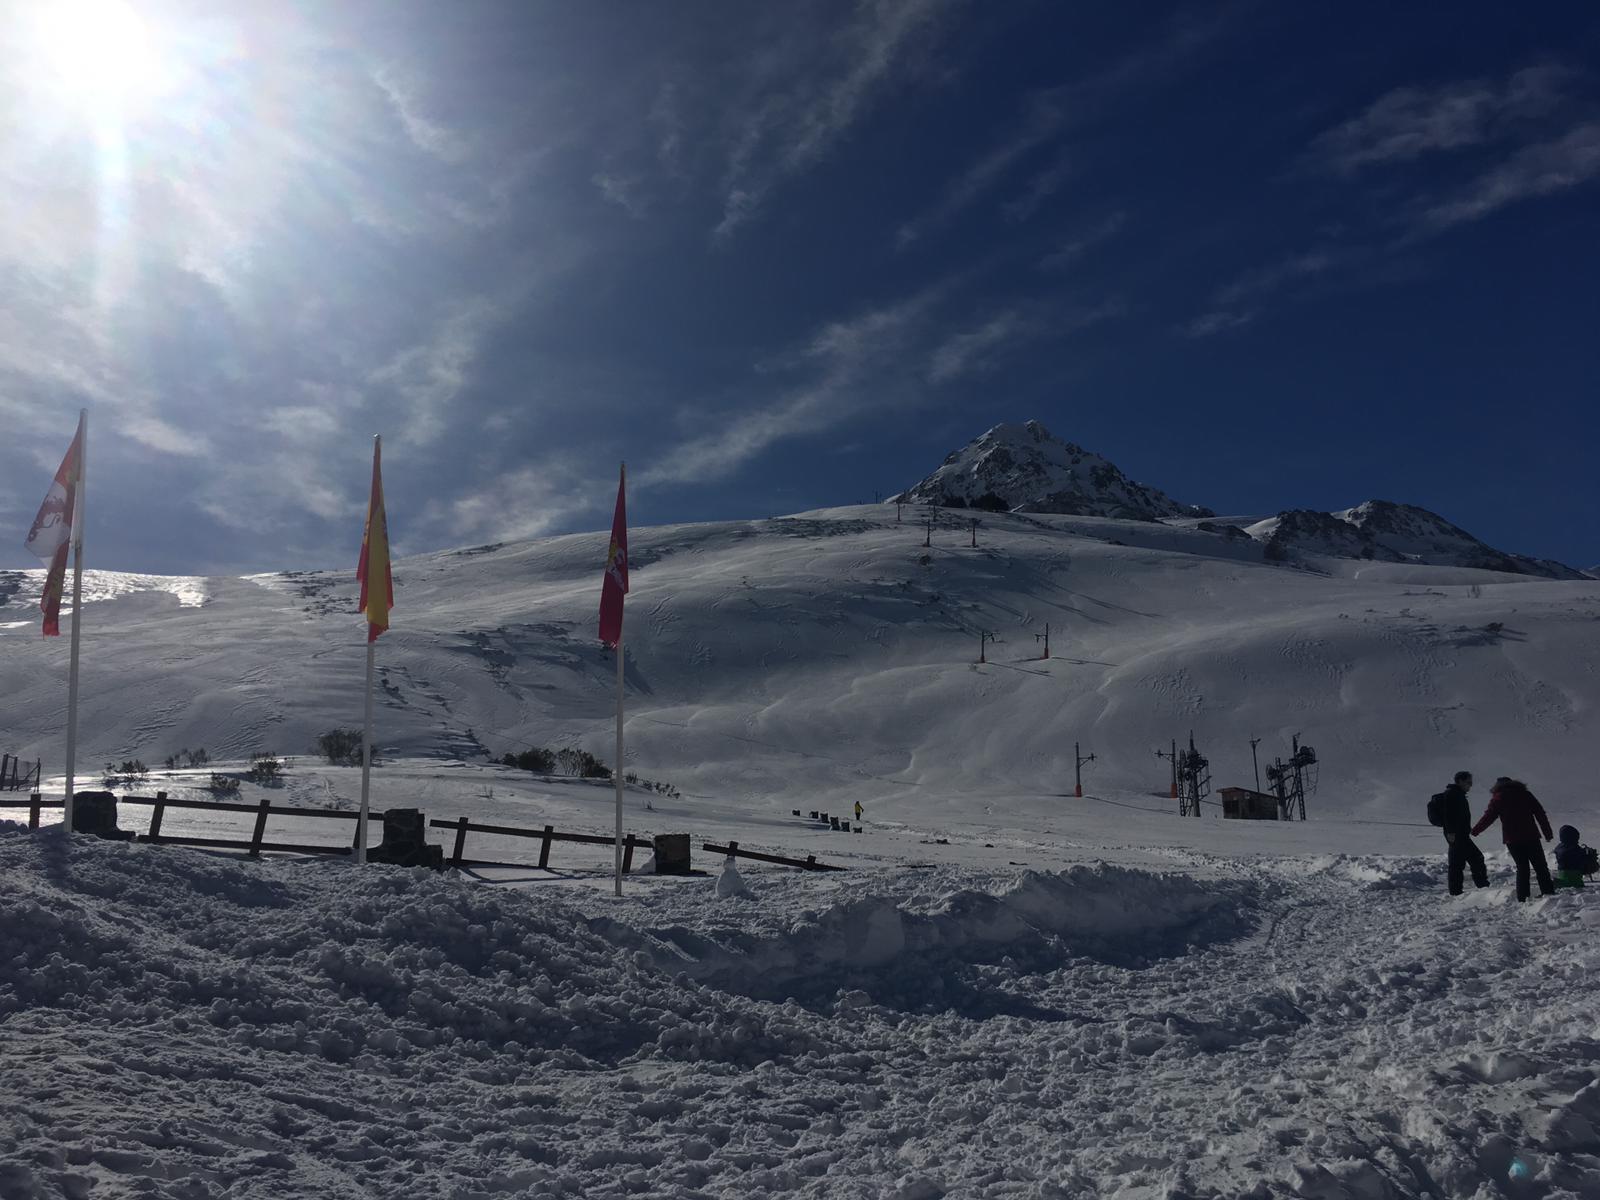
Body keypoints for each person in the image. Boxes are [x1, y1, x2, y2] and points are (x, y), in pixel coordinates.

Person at [1471, 777, 1555, 901]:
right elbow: (1540, 813)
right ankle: (1548, 893)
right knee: (1540, 866)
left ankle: (1523, 897)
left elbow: (1488, 817)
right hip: (1531, 836)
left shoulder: (1497, 798)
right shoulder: (1525, 794)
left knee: (1522, 868)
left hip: (1512, 839)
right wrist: (1547, 833)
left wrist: (1475, 830)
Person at [1436, 771, 1488, 895]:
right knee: (1473, 859)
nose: (1470, 785)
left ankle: (1458, 890)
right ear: (1460, 781)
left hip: (1459, 834)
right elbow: (1448, 814)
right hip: (1456, 835)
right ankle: (1479, 886)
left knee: (1460, 862)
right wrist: (1450, 832)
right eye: (1468, 782)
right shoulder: (1452, 794)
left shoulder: (1457, 794)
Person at [1553, 824, 1596, 889]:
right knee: (1590, 861)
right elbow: (1582, 860)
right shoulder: (1576, 849)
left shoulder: (1558, 847)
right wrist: (1591, 856)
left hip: (1561, 877)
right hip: (1575, 881)